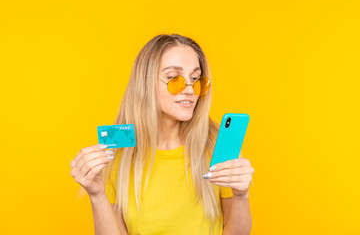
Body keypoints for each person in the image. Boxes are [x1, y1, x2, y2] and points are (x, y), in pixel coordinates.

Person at [70, 33, 254, 235]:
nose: (190, 89)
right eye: (174, 78)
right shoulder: (118, 154)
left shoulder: (217, 145)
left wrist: (240, 196)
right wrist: (97, 195)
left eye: (194, 78)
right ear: (146, 83)